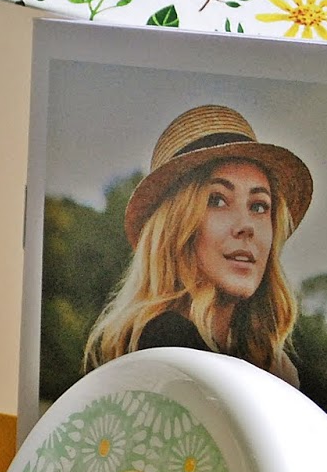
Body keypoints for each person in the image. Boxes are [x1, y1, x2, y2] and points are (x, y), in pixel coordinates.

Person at [84, 104, 313, 387]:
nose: (246, 226)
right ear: (176, 226)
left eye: (258, 206)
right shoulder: (167, 340)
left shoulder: (252, 358)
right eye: (217, 200)